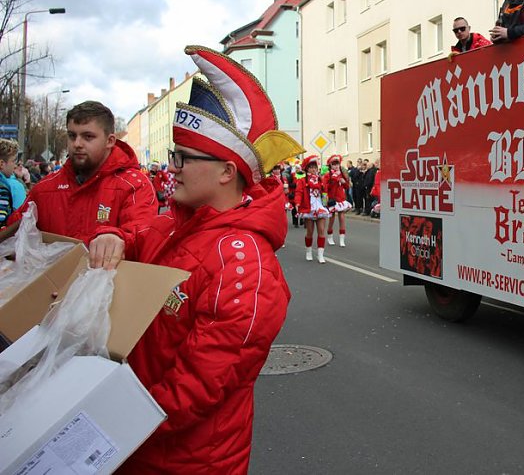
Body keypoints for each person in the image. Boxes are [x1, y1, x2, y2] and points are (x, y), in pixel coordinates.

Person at [88, 45, 302, 474]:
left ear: (226, 171)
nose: (173, 169)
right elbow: (131, 240)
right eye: (175, 157)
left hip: (186, 459)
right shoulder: (173, 225)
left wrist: (113, 424)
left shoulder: (244, 263)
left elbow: (197, 387)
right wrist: (109, 236)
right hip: (135, 446)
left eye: (184, 159)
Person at [3, 101, 158, 241]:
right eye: (72, 136)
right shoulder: (45, 189)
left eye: (88, 137)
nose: (77, 144)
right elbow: (11, 233)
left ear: (110, 141)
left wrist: (119, 240)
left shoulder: (135, 186)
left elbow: (143, 238)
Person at [294, 154, 331, 263]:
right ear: (307, 169)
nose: (313, 169)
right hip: (308, 208)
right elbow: (299, 192)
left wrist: (326, 200)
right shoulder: (302, 181)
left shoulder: (321, 180)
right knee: (310, 231)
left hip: (320, 207)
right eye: (311, 167)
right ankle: (309, 251)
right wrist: (297, 202)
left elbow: (324, 192)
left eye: (315, 167)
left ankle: (320, 255)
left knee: (321, 230)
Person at [323, 154, 352, 247]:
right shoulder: (328, 175)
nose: (336, 166)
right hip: (332, 199)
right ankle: (330, 236)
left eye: (337, 164)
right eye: (334, 164)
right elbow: (324, 188)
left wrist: (345, 182)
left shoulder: (342, 174)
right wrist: (324, 202)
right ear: (330, 165)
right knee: (331, 219)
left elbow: (347, 187)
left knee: (342, 219)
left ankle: (342, 239)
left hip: (341, 199)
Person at [0, 140, 17, 225]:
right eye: (13, 161)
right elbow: (1, 219)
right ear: (2, 164)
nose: (15, 165)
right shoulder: (2, 189)